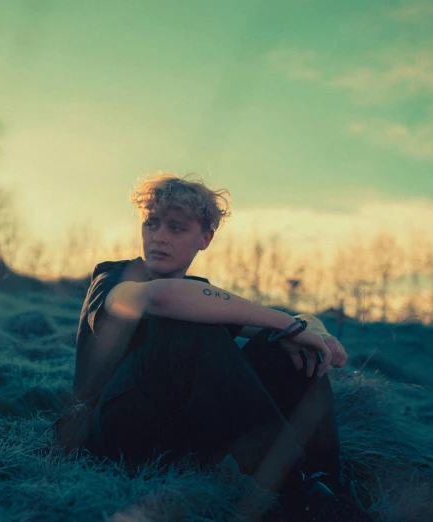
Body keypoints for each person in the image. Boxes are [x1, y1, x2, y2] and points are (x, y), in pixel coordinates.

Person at [54, 173, 351, 520]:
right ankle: (298, 490)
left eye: (176, 228)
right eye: (151, 224)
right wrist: (287, 323)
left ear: (205, 238)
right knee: (184, 330)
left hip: (178, 437)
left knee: (282, 349)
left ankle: (331, 487)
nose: (159, 237)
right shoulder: (115, 278)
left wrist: (310, 329)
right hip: (105, 438)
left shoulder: (200, 292)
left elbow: (273, 324)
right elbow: (162, 298)